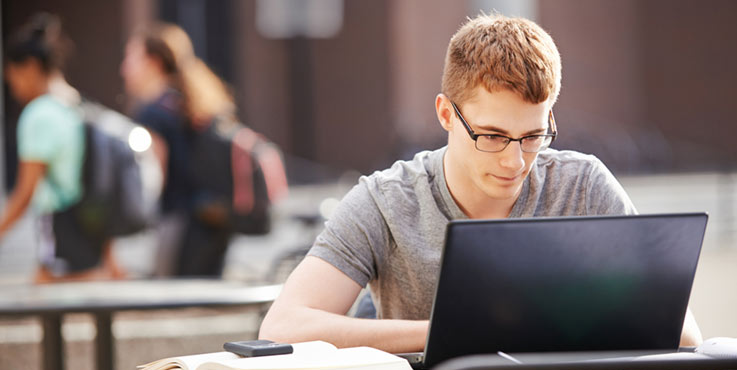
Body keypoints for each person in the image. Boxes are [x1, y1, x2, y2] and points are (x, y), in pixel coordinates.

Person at [259, 12, 703, 351]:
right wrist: (450, 332)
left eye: (533, 137)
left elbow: (681, 331)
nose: (515, 161)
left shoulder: (583, 185)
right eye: (492, 136)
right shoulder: (385, 200)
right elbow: (284, 326)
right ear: (447, 114)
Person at [0, 13, 123, 283]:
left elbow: (25, 193)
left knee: (50, 296)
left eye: (13, 78)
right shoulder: (79, 104)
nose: (12, 88)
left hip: (61, 226)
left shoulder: (39, 114)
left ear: (30, 66)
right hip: (92, 224)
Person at [120, 23, 235, 277]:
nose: (124, 68)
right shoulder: (187, 102)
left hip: (176, 226)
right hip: (210, 220)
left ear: (154, 62)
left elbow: (152, 178)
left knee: (170, 303)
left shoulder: (152, 112)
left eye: (131, 57)